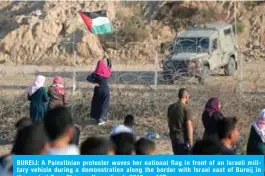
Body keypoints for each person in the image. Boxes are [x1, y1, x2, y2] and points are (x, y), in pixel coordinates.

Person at [167, 88, 193, 155]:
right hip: (182, 138)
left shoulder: (170, 107)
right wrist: (190, 141)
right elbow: (189, 126)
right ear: (186, 96)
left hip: (173, 136)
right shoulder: (186, 108)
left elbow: (169, 121)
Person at [87, 57, 112, 126]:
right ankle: (101, 119)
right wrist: (108, 59)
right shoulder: (106, 72)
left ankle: (95, 117)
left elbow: (88, 78)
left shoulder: (96, 73)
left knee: (96, 103)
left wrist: (94, 82)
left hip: (98, 90)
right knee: (104, 104)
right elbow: (110, 65)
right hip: (105, 90)